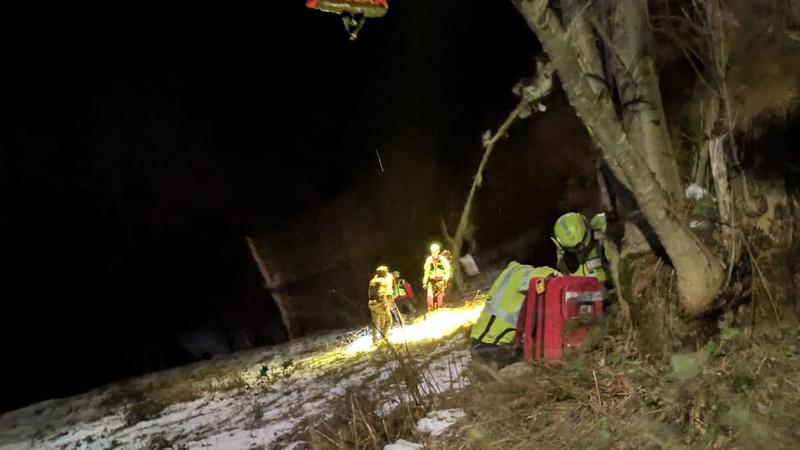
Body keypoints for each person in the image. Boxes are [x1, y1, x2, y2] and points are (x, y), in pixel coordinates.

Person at [552, 212, 618, 288]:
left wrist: (609, 236)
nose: (580, 248)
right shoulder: (568, 262)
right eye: (575, 248)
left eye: (581, 244)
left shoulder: (603, 223)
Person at [368, 266, 394, 344]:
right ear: (384, 273)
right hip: (380, 304)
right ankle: (383, 338)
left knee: (375, 323)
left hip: (371, 304)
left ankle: (374, 340)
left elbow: (370, 293)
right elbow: (381, 293)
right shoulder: (383, 281)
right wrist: (384, 303)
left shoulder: (373, 281)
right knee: (389, 320)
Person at [422, 243, 451, 311]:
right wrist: (424, 282)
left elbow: (448, 270)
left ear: (438, 251)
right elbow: (426, 272)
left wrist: (445, 279)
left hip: (441, 280)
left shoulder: (443, 259)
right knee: (429, 294)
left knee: (440, 295)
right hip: (432, 280)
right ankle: (430, 309)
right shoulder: (429, 260)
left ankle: (440, 307)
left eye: (435, 251)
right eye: (432, 251)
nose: (434, 253)